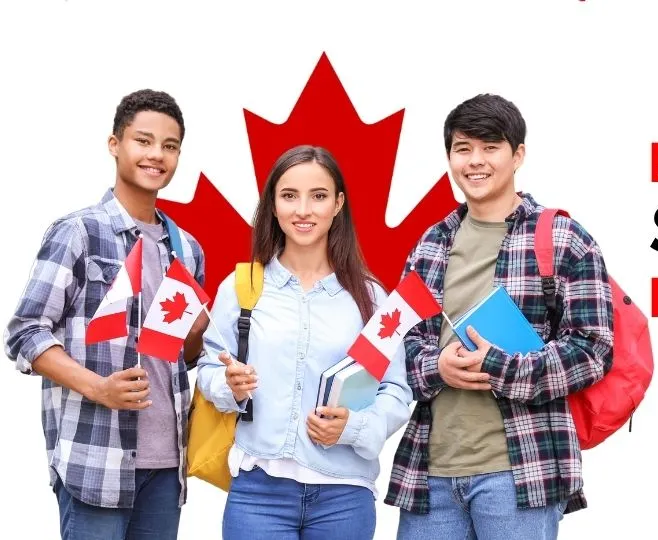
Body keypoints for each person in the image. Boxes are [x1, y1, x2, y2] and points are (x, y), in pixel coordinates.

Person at [385, 93, 615, 539]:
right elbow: (398, 346)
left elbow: (593, 350)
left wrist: (499, 367)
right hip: (430, 474)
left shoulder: (563, 238)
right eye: (463, 148)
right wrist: (439, 367)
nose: (476, 161)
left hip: (519, 472)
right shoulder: (430, 244)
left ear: (518, 155)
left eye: (491, 147)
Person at [4, 89, 207, 540]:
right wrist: (100, 388)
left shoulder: (187, 249)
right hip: (95, 461)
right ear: (115, 144)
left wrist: (196, 336)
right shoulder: (78, 232)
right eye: (144, 140)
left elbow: (178, 357)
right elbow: (25, 334)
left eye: (170, 146)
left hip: (167, 465)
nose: (157, 155)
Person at [197, 145, 412, 540]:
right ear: (273, 206)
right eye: (289, 196)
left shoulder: (370, 299)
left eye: (318, 196)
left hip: (344, 497)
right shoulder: (244, 287)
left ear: (338, 205)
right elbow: (209, 368)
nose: (303, 210)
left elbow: (395, 390)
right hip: (258, 491)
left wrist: (356, 427)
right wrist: (227, 386)